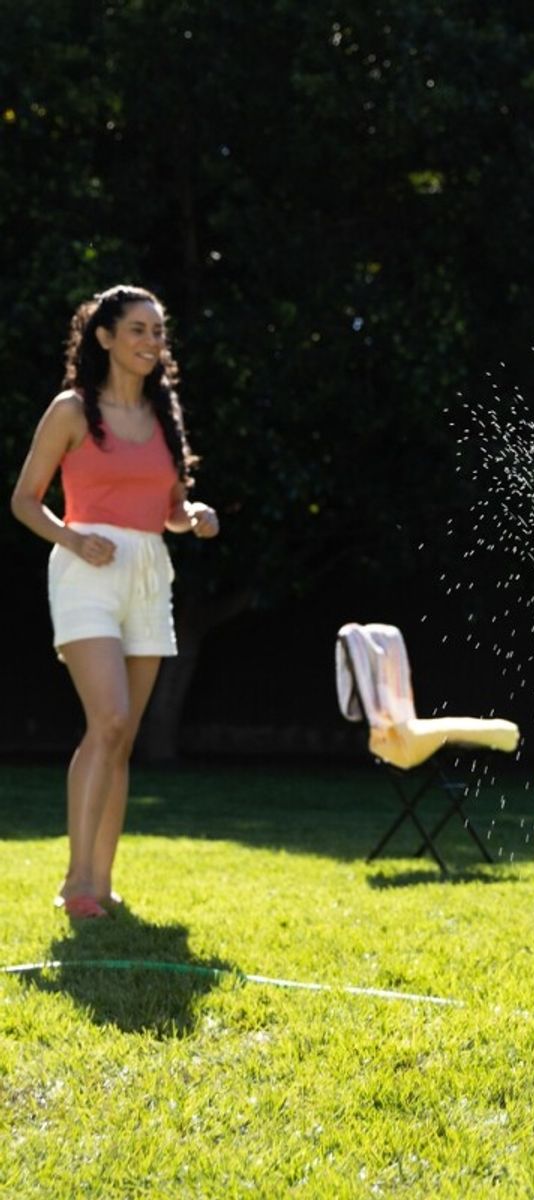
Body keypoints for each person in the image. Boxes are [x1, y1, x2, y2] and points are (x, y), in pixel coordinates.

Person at [10, 285, 220, 920]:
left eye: (158, 332)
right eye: (137, 329)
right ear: (103, 337)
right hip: (86, 572)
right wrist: (73, 538)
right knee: (107, 719)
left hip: (149, 575)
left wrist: (194, 517)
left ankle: (101, 883)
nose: (151, 342)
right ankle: (75, 882)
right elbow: (24, 501)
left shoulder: (163, 414)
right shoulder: (72, 410)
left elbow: (169, 510)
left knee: (122, 734)